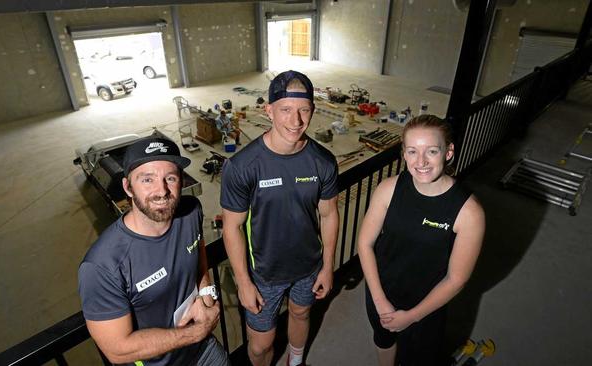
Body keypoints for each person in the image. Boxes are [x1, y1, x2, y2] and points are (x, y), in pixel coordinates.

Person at [221, 70, 339, 366]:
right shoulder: (243, 166)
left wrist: (327, 267)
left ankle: (295, 362)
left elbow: (329, 215)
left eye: (304, 110)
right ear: (269, 110)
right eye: (286, 110)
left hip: (308, 266)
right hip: (263, 274)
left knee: (301, 313)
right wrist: (243, 282)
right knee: (261, 346)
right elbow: (232, 227)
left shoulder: (323, 161)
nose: (296, 121)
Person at [78, 137, 230, 366]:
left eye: (170, 178)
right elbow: (117, 350)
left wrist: (207, 294)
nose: (162, 191)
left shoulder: (190, 213)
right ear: (128, 187)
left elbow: (198, 254)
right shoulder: (102, 265)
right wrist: (198, 331)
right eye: (147, 179)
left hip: (204, 350)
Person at [357, 114, 485, 366]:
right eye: (413, 151)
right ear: (403, 153)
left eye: (432, 151)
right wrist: (380, 300)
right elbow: (364, 244)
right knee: (383, 339)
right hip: (380, 289)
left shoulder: (469, 213)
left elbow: (456, 278)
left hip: (427, 303)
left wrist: (413, 316)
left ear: (448, 153)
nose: (421, 162)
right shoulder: (388, 189)